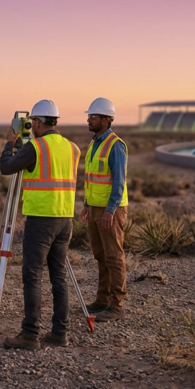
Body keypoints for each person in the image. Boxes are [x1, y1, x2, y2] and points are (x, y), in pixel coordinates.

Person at [0, 99, 80, 350]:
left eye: (32, 122)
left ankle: (30, 334)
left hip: (41, 220)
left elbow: (6, 167)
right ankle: (59, 333)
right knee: (59, 276)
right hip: (65, 219)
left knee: (32, 275)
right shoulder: (73, 147)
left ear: (36, 122)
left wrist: (10, 143)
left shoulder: (35, 147)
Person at [79, 97, 128, 322]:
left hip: (111, 210)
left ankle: (116, 305)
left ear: (106, 120)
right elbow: (92, 179)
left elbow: (118, 181)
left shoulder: (115, 145)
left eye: (93, 116)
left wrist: (110, 210)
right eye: (89, 116)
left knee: (114, 256)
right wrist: (88, 205)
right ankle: (102, 299)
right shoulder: (94, 143)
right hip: (96, 208)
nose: (89, 119)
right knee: (100, 255)